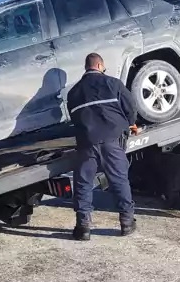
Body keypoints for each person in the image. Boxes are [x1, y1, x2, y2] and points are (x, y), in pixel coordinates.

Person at [66, 52, 139, 240]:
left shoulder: (73, 93)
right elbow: (130, 106)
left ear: (86, 67)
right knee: (119, 181)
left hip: (86, 143)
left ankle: (83, 227)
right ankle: (127, 222)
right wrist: (131, 123)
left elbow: (75, 119)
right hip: (111, 140)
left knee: (83, 183)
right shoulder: (112, 83)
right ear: (99, 66)